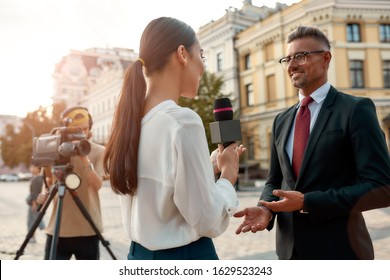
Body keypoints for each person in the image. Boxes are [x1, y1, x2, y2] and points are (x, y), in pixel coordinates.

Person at [234, 25, 390, 260]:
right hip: (289, 253)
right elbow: (274, 180)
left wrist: (308, 202)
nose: (291, 65)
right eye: (287, 58)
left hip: (340, 251)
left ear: (325, 58)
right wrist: (266, 208)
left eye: (301, 56)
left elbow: (381, 188)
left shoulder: (355, 110)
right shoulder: (281, 120)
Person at [103, 17, 246, 260]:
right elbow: (208, 219)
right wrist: (228, 175)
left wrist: (207, 165)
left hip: (138, 255)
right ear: (182, 53)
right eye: (201, 55)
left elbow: (161, 183)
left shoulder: (129, 123)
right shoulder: (182, 121)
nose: (203, 66)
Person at [37, 106, 106, 259]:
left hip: (88, 229)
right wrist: (44, 193)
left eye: (85, 129)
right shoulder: (54, 149)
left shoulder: (99, 151)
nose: (82, 133)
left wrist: (84, 156)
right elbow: (48, 179)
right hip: (58, 229)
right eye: (77, 129)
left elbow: (98, 184)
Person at [26, 164, 45, 243]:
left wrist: (34, 204)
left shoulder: (37, 179)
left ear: (38, 168)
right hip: (36, 203)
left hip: (34, 204)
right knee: (35, 221)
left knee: (32, 221)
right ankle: (33, 237)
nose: (32, 169)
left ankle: (47, 233)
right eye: (31, 167)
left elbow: (35, 193)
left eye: (34, 167)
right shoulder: (37, 178)